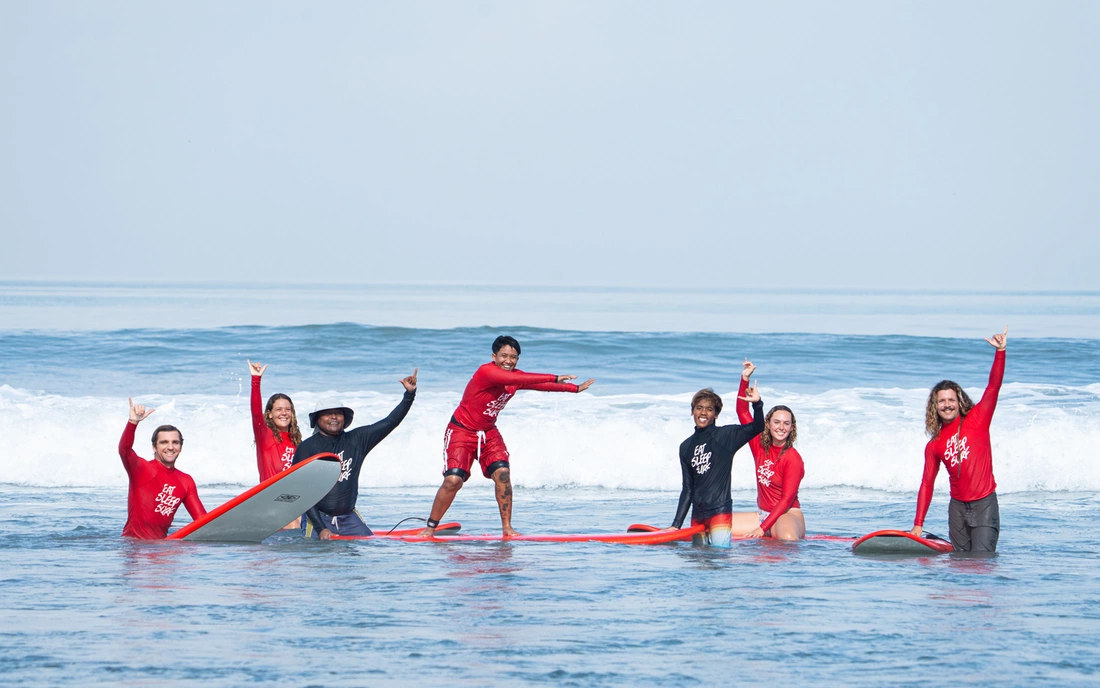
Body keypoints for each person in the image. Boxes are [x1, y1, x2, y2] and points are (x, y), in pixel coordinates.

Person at [419, 335, 595, 538]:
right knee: (453, 480)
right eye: (504, 356)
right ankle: (429, 529)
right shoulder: (486, 372)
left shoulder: (513, 377)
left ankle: (507, 529)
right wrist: (554, 376)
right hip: (461, 430)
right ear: (494, 356)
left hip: (488, 432)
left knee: (502, 473)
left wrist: (574, 389)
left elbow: (538, 386)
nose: (509, 361)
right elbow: (520, 379)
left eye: (514, 357)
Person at [911, 328, 1007, 553]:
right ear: (935, 406)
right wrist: (918, 525)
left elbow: (993, 386)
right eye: (942, 401)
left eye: (951, 400)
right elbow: (927, 483)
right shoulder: (934, 444)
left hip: (984, 504)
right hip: (957, 510)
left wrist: (1000, 352)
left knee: (981, 564)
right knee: (959, 567)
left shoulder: (978, 419)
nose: (947, 404)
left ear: (959, 400)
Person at [292, 369, 418, 539]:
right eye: (328, 413)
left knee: (367, 547)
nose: (334, 417)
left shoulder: (357, 440)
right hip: (319, 518)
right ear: (317, 419)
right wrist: (321, 528)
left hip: (349, 516)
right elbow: (302, 492)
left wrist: (409, 395)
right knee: (318, 557)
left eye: (338, 413)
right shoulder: (307, 448)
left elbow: (389, 422)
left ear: (345, 418)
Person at [668, 381, 764, 548]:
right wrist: (676, 525)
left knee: (719, 558)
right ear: (692, 411)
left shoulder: (726, 436)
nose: (703, 412)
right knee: (697, 561)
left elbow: (757, 427)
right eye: (699, 408)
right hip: (697, 515)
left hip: (719, 511)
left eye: (709, 409)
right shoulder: (685, 447)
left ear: (716, 415)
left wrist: (756, 404)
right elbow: (688, 489)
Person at [734, 360, 806, 541]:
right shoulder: (759, 445)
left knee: (788, 538)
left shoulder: (793, 458)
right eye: (777, 422)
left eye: (786, 423)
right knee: (715, 527)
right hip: (762, 515)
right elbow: (742, 412)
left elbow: (787, 499)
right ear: (768, 424)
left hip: (787, 515)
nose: (781, 427)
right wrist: (745, 379)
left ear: (791, 428)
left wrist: (762, 529)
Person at [118, 398, 206, 539]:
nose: (170, 447)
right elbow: (125, 450)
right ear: (154, 447)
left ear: (181, 447)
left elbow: (202, 521)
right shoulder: (141, 469)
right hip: (135, 548)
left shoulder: (186, 481)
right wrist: (133, 423)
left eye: (175, 442)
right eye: (164, 442)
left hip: (162, 550)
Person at [248, 360, 303, 529]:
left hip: (292, 499)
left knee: (304, 523)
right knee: (294, 526)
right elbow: (256, 413)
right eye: (279, 409)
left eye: (287, 409)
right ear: (270, 414)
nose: (284, 413)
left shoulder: (296, 441)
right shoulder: (266, 437)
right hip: (271, 499)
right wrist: (256, 380)